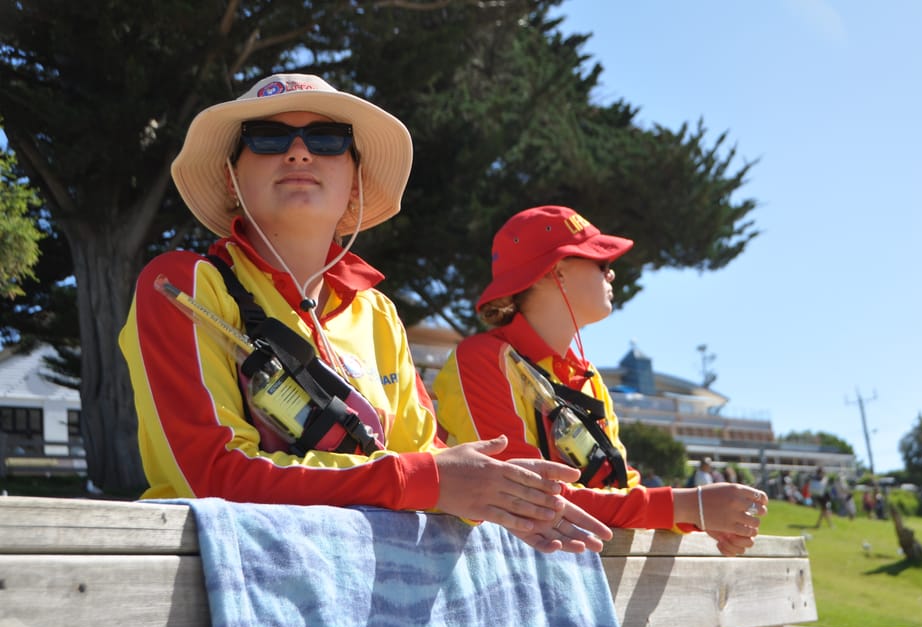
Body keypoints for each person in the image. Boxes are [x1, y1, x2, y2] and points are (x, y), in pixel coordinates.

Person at [118, 73, 612, 554]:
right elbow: (211, 474)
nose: (298, 151)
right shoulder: (183, 283)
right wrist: (428, 480)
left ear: (355, 182)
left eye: (328, 139)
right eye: (266, 138)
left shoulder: (377, 313)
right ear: (232, 178)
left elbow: (425, 456)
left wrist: (507, 495)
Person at [433, 205, 767, 555]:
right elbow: (521, 498)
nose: (613, 275)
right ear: (557, 272)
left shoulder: (589, 377)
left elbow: (619, 484)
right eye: (602, 264)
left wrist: (697, 516)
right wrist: (685, 506)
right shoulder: (481, 358)